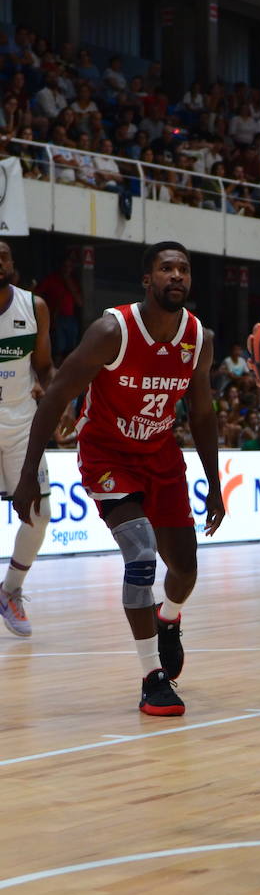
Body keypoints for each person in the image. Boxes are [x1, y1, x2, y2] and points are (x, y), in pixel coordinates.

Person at [12, 242, 225, 718]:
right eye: (166, 268)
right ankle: (153, 678)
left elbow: (204, 412)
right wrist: (28, 475)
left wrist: (214, 480)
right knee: (142, 552)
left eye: (184, 269)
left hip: (162, 456)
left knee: (185, 570)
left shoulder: (199, 338)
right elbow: (54, 398)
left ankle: (168, 620)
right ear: (147, 280)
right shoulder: (113, 330)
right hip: (108, 455)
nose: (177, 276)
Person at [0, 243, 54, 637]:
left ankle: (11, 591)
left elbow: (45, 367)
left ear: (12, 265)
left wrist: (51, 399)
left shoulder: (34, 307)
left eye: (1, 255)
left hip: (21, 423)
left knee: (39, 514)